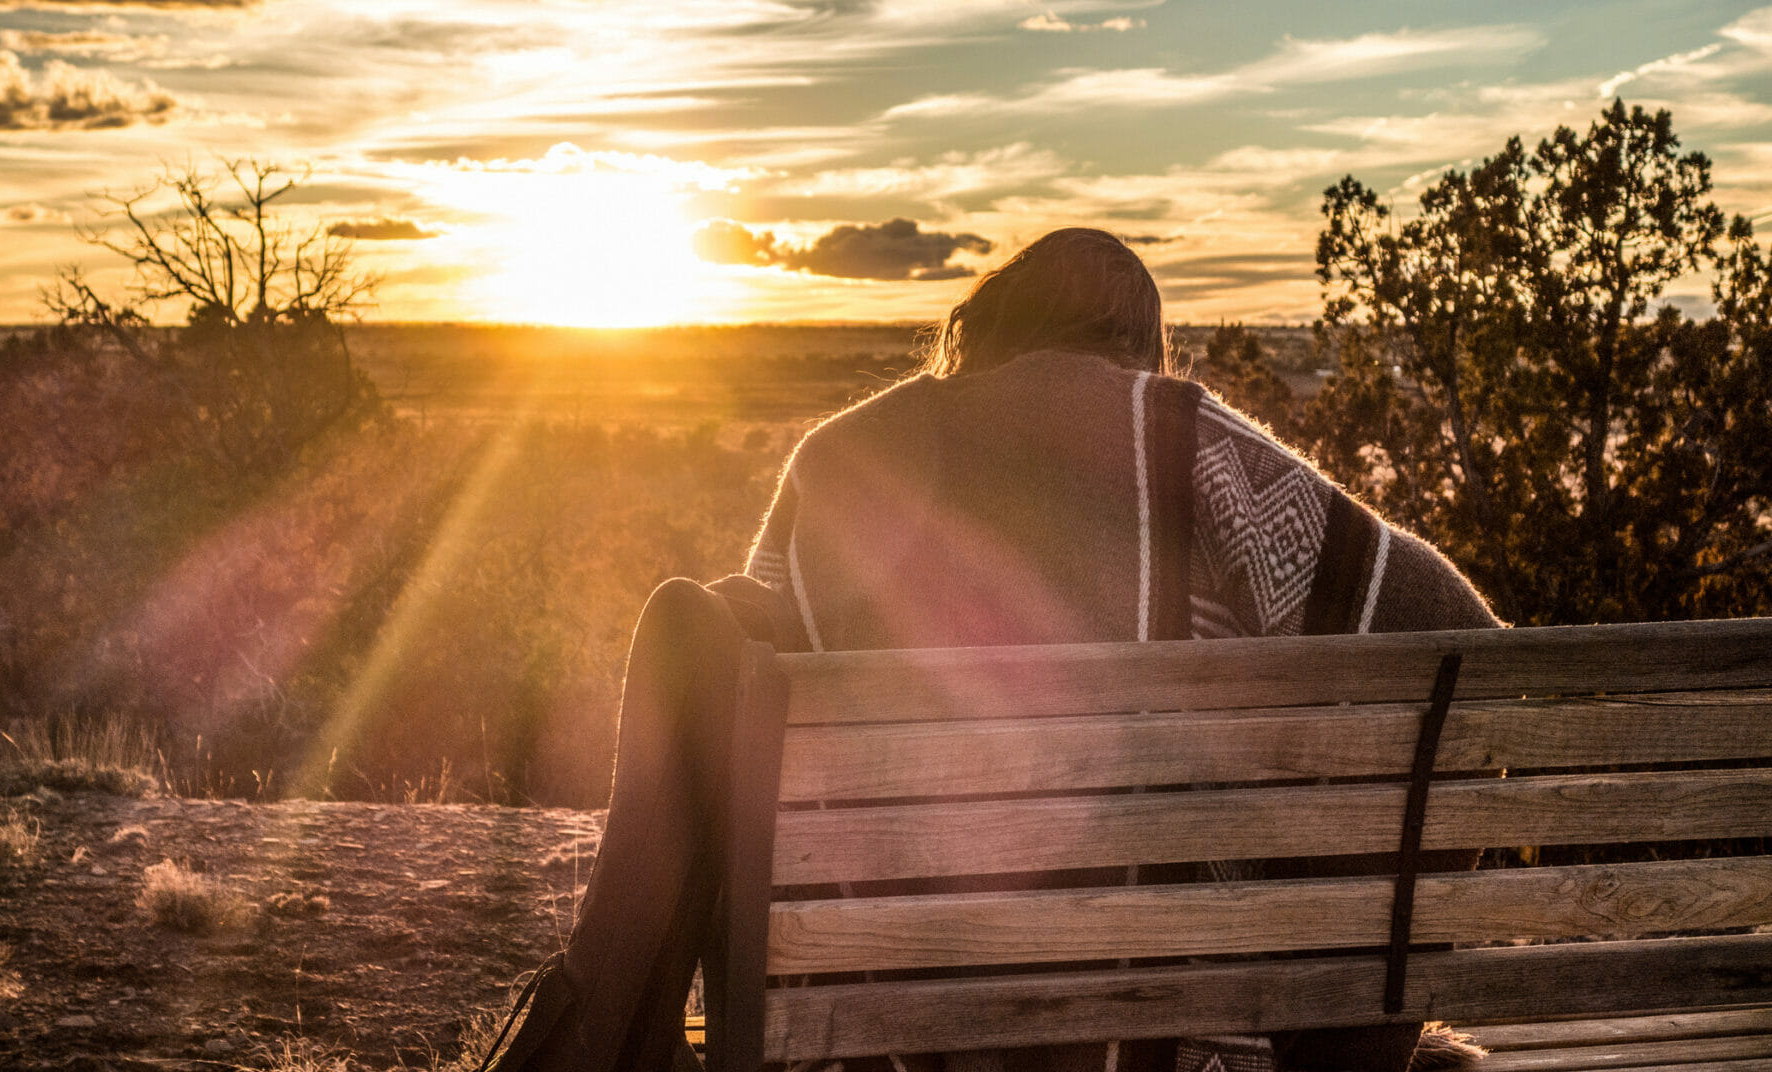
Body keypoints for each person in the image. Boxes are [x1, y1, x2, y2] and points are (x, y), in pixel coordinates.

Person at [485, 228, 1500, 1072]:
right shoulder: (1191, 447)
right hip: (1162, 1032)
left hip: (878, 1032)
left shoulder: (845, 456)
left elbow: (752, 692)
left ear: (990, 322)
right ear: (1137, 343)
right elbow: (1454, 634)